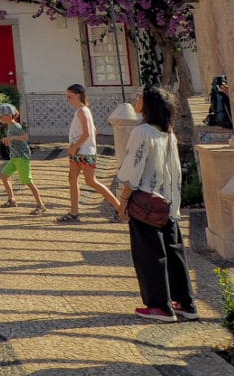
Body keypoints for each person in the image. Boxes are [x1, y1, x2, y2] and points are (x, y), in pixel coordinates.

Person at [117, 86, 198, 322]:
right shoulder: (168, 134)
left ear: (148, 104)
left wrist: (123, 200)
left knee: (150, 255)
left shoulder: (142, 132)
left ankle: (160, 306)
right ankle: (186, 302)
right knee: (175, 252)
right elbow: (174, 171)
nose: (136, 100)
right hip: (169, 202)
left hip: (146, 203)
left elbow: (134, 169)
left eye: (140, 97)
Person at [59, 83, 123, 223]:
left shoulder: (82, 111)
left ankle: (121, 209)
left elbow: (88, 132)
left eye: (69, 96)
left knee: (91, 181)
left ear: (77, 95)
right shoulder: (83, 111)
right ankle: (74, 212)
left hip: (83, 152)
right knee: (73, 179)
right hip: (82, 151)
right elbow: (93, 131)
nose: (68, 99)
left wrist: (75, 146)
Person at [0, 103, 45, 214]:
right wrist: (9, 141)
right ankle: (12, 199)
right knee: (4, 176)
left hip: (22, 158)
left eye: (1, 116)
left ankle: (40, 205)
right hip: (14, 157)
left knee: (28, 181)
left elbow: (25, 137)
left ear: (9, 116)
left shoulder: (16, 126)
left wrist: (11, 138)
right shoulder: (10, 126)